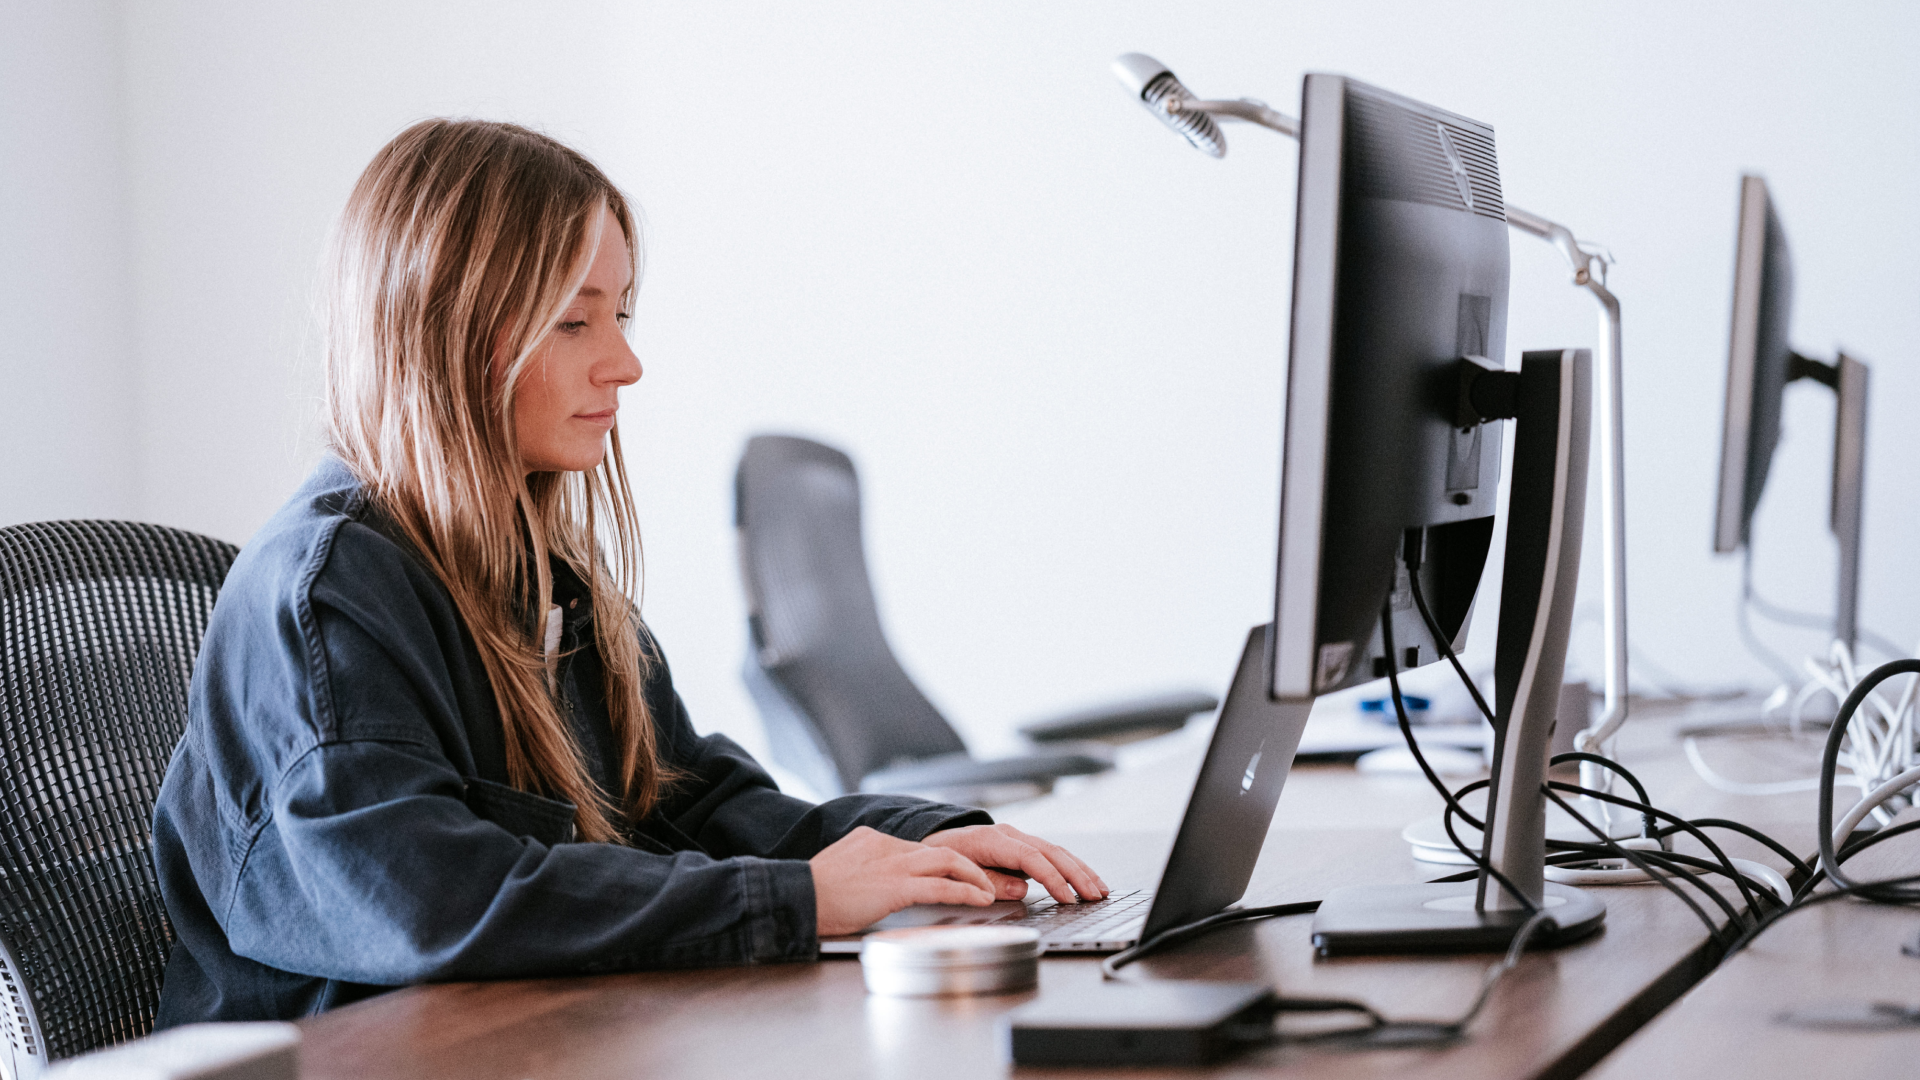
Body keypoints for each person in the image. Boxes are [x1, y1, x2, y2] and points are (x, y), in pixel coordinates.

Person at [151, 118, 1106, 1025]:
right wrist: (800, 899)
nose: (626, 363)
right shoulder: (327, 595)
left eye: (621, 315)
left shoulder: (545, 576)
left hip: (542, 1036)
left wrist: (911, 843)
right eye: (575, 323)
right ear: (445, 334)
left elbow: (688, 802)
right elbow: (426, 899)